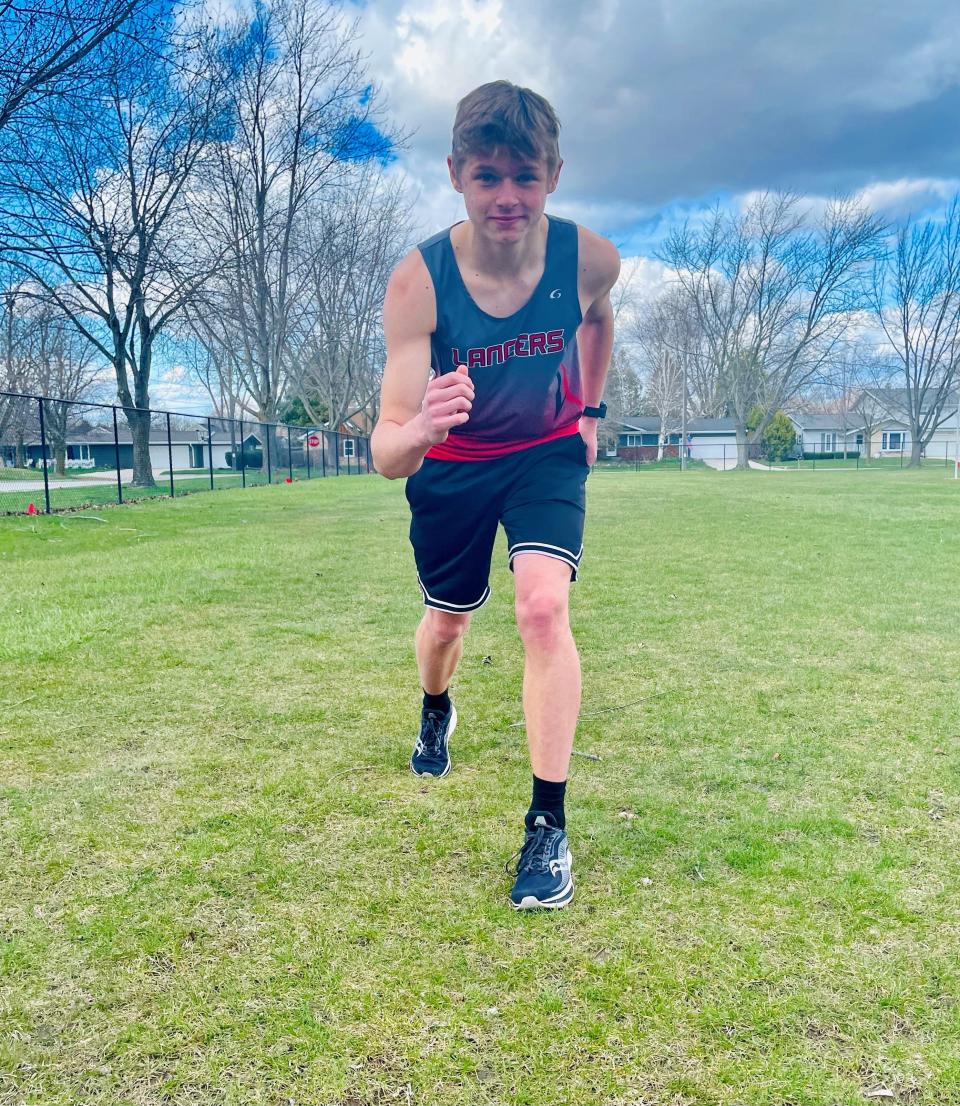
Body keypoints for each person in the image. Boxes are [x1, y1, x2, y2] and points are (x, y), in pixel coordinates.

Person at [371, 80, 619, 909]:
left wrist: (587, 410)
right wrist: (422, 429)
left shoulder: (589, 257)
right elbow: (385, 451)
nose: (506, 196)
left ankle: (547, 825)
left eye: (524, 174)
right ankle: (435, 707)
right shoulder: (420, 282)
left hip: (544, 454)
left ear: (553, 173)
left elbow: (598, 318)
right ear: (455, 174)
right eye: (487, 176)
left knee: (543, 609)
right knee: (448, 621)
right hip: (453, 463)